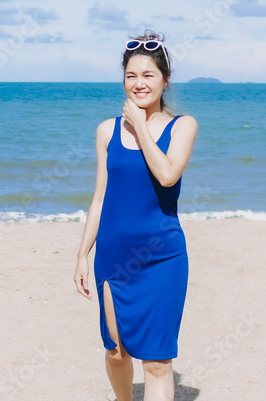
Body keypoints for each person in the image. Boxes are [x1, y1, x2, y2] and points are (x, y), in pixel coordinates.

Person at [74, 30, 199, 401]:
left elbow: (166, 174)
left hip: (163, 256)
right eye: (131, 75)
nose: (139, 83)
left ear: (165, 80)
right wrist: (82, 254)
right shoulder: (106, 130)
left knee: (158, 364)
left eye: (148, 75)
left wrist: (142, 125)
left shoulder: (183, 126)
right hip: (113, 257)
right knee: (116, 351)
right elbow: (100, 197)